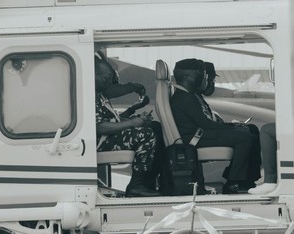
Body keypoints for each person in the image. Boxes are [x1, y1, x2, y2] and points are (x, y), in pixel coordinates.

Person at [170, 58, 261, 194]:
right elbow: (206, 125)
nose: (204, 80)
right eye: (201, 76)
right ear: (188, 77)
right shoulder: (184, 97)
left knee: (251, 129)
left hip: (200, 134)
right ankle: (233, 182)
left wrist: (233, 126)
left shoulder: (190, 95)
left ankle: (248, 180)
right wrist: (233, 127)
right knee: (244, 137)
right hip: (195, 139)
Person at [94, 57, 160, 197]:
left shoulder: (99, 94)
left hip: (107, 139)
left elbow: (113, 119)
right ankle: (136, 185)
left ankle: (148, 181)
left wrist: (137, 120)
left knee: (154, 127)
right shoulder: (90, 96)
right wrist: (131, 123)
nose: (109, 82)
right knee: (146, 134)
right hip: (100, 142)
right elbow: (98, 127)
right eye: (106, 78)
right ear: (94, 76)